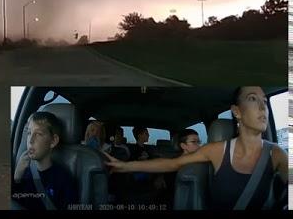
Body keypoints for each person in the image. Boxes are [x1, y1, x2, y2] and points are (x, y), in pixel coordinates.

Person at [103, 87, 288, 210]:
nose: (263, 107)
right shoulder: (215, 151)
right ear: (237, 112)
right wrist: (125, 166)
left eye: (265, 100)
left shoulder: (278, 154)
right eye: (253, 99)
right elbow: (171, 164)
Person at [12, 111, 78, 210]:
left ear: (53, 141)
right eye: (29, 133)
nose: (30, 140)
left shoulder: (63, 179)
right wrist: (16, 178)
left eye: (38, 134)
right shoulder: (24, 171)